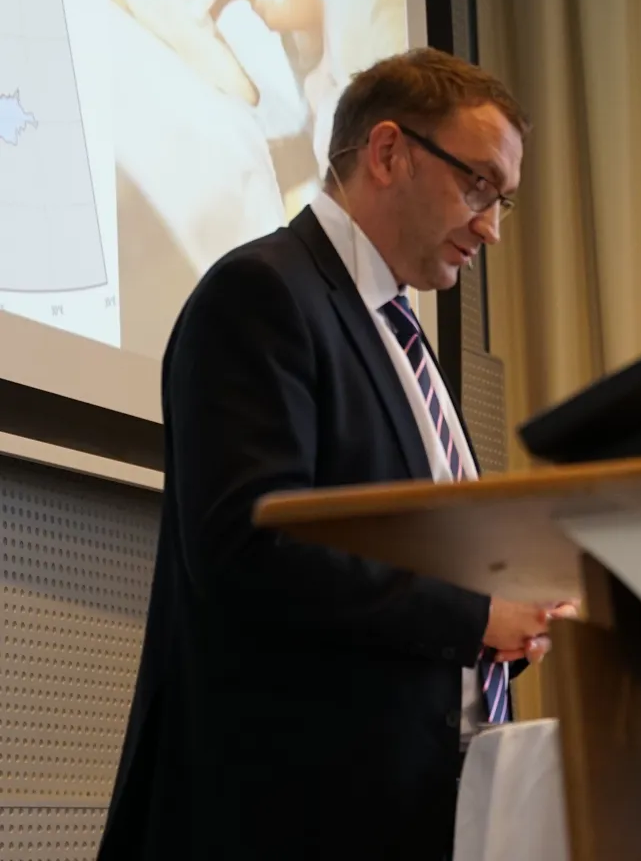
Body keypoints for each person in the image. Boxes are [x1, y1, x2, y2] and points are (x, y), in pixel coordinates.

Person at [97, 47, 572, 861]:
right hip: (288, 820)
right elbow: (247, 551)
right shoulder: (263, 294)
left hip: (423, 811)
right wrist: (473, 617)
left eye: (503, 200)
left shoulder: (400, 334)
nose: (491, 227)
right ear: (388, 152)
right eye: (478, 184)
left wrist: (507, 623)